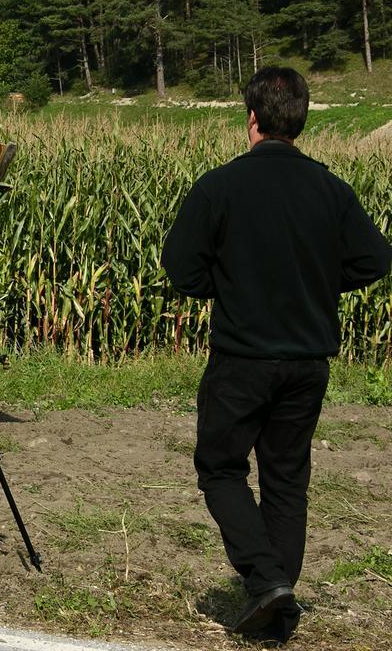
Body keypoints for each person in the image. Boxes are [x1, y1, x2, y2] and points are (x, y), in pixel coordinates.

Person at [162, 66, 391, 642]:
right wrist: (313, 283)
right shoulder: (330, 188)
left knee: (219, 469)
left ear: (252, 121)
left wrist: (234, 285)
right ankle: (278, 609)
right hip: (309, 358)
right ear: (302, 122)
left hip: (242, 355)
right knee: (287, 480)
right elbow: (374, 260)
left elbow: (180, 268)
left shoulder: (220, 186)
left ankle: (266, 582)